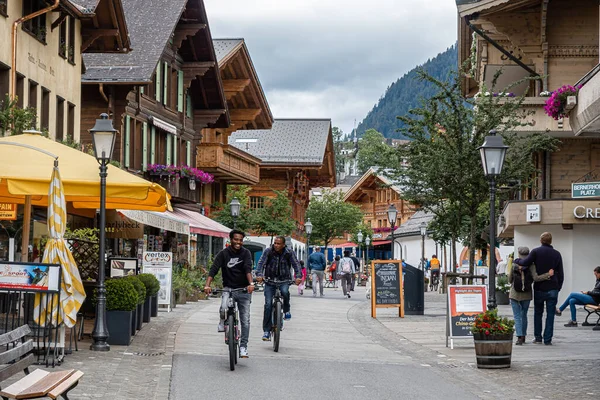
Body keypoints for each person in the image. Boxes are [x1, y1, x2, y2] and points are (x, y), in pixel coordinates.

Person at [204, 229, 254, 358]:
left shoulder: (246, 253)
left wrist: (251, 284)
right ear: (230, 239)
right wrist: (207, 285)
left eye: (241, 240)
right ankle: (222, 322)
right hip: (228, 288)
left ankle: (243, 347)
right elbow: (213, 269)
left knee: (245, 320)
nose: (238, 242)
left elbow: (248, 269)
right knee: (223, 308)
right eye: (236, 239)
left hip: (243, 290)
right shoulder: (223, 254)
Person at [513, 232, 564, 345]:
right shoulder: (557, 254)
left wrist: (516, 261)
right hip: (553, 288)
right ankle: (548, 339)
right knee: (550, 315)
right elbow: (561, 273)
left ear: (541, 240)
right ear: (551, 241)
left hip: (539, 288)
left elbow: (525, 262)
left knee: (538, 313)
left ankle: (538, 337)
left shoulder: (536, 251)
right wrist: (558, 287)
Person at [256, 236, 302, 341]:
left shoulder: (289, 252)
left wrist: (298, 277)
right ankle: (266, 331)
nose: (276, 245)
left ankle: (286, 310)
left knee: (285, 292)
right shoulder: (268, 251)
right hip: (269, 280)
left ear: (283, 245)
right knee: (268, 304)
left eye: (278, 243)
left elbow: (296, 265)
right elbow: (261, 263)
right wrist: (259, 274)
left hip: (284, 279)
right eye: (275, 243)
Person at [509, 246, 554, 345]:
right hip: (527, 294)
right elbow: (536, 278)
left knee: (517, 316)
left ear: (519, 253)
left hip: (514, 293)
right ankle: (524, 336)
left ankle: (519, 337)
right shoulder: (531, 265)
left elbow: (509, 279)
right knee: (523, 315)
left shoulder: (514, 264)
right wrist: (548, 275)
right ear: (528, 254)